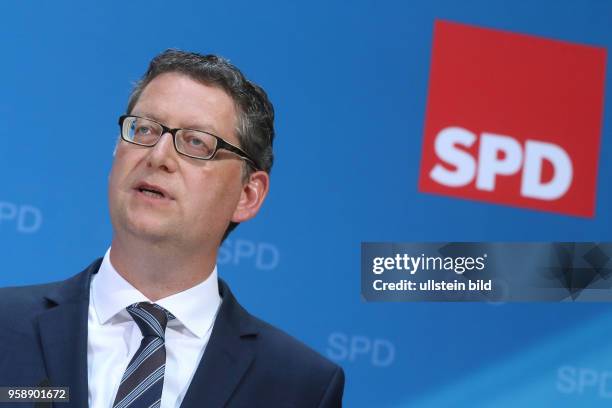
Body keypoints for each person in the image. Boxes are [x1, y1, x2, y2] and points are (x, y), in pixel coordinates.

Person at [0, 49, 345, 408]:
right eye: (145, 129)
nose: (158, 156)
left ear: (247, 195)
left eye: (196, 142)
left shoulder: (299, 385)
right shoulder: (5, 325)